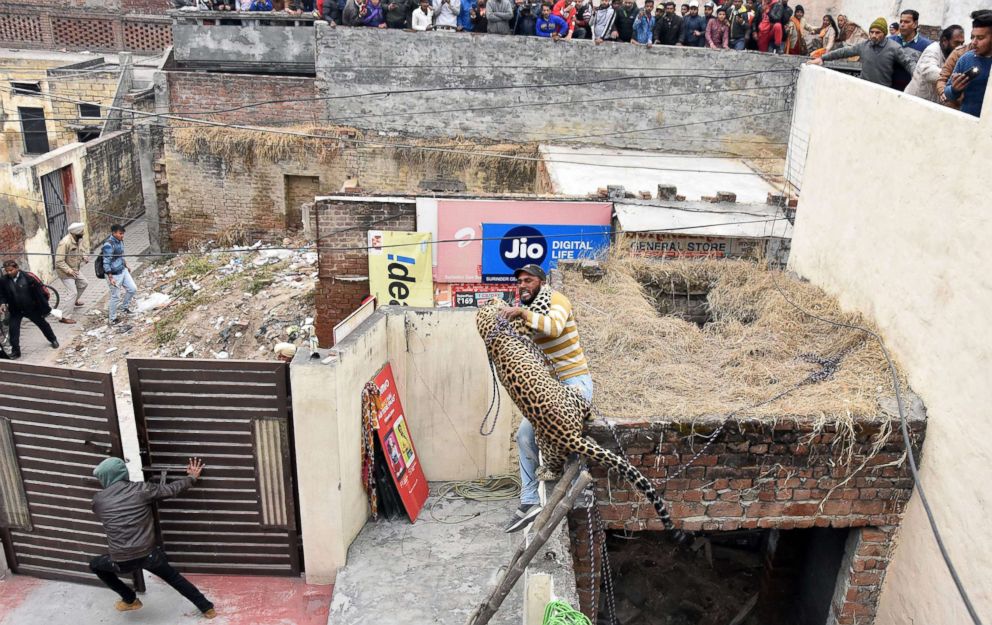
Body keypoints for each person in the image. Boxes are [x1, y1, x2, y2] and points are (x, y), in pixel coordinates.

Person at [497, 265, 593, 533]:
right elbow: (521, 341)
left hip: (575, 382)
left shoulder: (556, 301)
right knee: (524, 437)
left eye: (528, 281)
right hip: (550, 388)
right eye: (520, 282)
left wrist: (520, 312)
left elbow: (553, 328)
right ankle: (529, 501)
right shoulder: (529, 313)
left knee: (566, 435)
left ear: (541, 282)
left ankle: (581, 491)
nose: (523, 285)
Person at [89, 457, 215, 618]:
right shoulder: (142, 490)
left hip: (121, 560)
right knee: (174, 578)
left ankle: (129, 599)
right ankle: (207, 608)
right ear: (123, 473)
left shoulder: (98, 501)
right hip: (149, 554)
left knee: (95, 565)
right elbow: (171, 489)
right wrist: (191, 477)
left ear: (105, 478)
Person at [809, 18, 916, 89]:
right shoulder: (864, 45)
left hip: (883, 91)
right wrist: (822, 58)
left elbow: (907, 62)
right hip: (863, 88)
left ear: (884, 33)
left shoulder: (894, 47)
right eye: (871, 32)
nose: (873, 35)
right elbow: (843, 52)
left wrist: (917, 74)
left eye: (877, 32)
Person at [0, 260, 59, 359]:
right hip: (15, 310)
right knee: (13, 330)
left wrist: (44, 308)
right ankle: (16, 351)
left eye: (11, 270)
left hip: (31, 308)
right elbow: (1, 294)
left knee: (43, 324)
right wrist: (2, 303)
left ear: (17, 268)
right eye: (7, 271)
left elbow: (40, 292)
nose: (9, 273)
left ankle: (53, 339)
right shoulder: (4, 280)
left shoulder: (28, 277)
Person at [945, 11, 992, 117]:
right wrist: (954, 89)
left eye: (980, 38)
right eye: (972, 37)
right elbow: (948, 93)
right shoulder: (966, 58)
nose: (974, 42)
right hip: (967, 122)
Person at [906, 25, 965, 103]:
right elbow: (929, 72)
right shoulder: (932, 50)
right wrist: (953, 77)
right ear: (944, 41)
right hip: (914, 102)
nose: (959, 47)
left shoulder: (955, 55)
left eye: (962, 43)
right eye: (956, 43)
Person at [102, 224, 137, 326]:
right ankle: (112, 319)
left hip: (122, 270)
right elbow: (106, 261)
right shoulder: (108, 245)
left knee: (132, 288)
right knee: (115, 297)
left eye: (123, 234)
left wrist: (126, 264)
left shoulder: (120, 241)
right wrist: (110, 277)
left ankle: (124, 307)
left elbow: (120, 255)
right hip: (114, 274)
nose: (122, 236)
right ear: (114, 233)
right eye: (120, 233)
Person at [889, 10, 932, 91]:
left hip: (911, 94)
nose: (902, 24)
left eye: (906, 22)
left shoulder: (926, 46)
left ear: (915, 24)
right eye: (901, 21)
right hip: (888, 90)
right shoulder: (889, 41)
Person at [54, 222, 88, 325]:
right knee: (72, 292)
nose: (83, 233)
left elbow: (80, 250)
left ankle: (74, 301)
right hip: (65, 272)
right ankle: (64, 317)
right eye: (81, 231)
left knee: (83, 283)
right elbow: (59, 261)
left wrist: (84, 256)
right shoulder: (65, 243)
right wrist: (69, 271)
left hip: (75, 269)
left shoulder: (78, 239)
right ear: (76, 233)